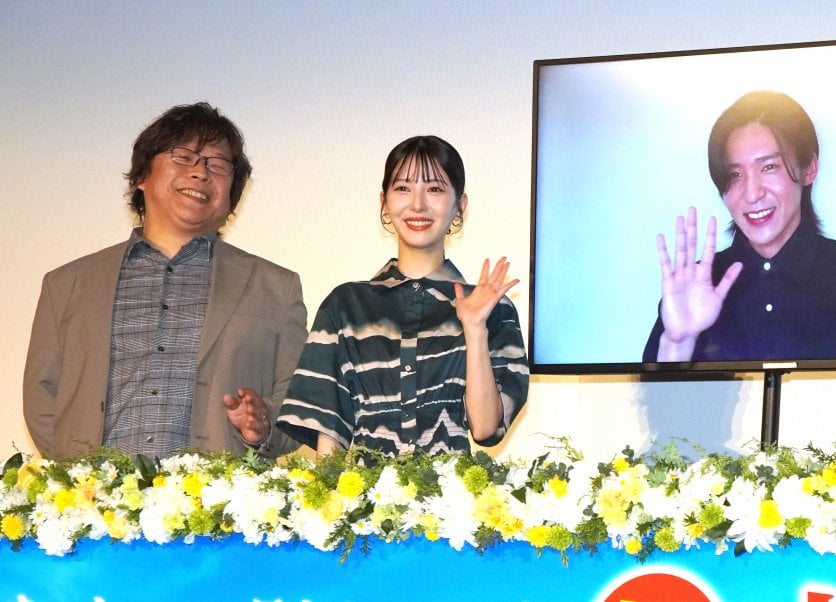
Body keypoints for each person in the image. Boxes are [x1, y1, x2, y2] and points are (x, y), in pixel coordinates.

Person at [22, 102, 308, 460]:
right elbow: (43, 400)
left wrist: (262, 426)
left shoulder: (276, 287)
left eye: (218, 164)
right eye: (183, 157)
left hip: (221, 494)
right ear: (142, 176)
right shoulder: (67, 284)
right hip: (96, 492)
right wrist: (80, 473)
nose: (200, 173)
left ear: (232, 195)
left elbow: (299, 407)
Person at [277, 135, 528, 456]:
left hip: (453, 488)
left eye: (434, 189)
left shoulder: (493, 308)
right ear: (384, 201)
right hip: (363, 488)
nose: (418, 204)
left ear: (460, 205)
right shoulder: (345, 305)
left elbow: (485, 428)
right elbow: (329, 434)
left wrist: (475, 328)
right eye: (403, 188)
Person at [642, 90, 836, 363]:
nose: (751, 194)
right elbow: (650, 393)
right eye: (735, 174)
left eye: (769, 167)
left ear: (809, 169)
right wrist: (678, 342)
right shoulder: (694, 288)